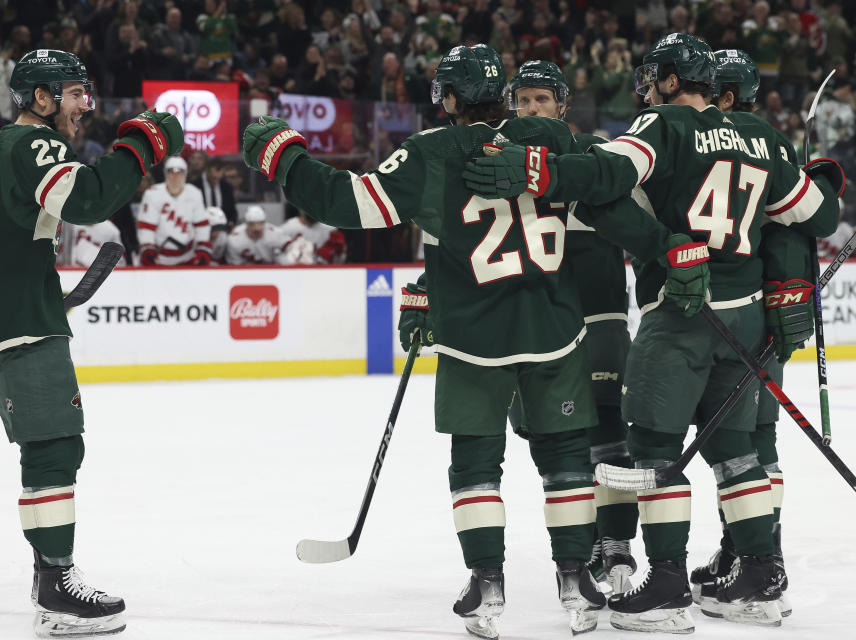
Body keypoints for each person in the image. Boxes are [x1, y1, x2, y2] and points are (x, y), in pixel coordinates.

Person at [463, 33, 842, 632]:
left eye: (651, 78)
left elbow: (608, 174)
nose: (646, 88)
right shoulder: (764, 138)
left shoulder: (662, 126)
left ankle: (666, 587)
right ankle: (762, 578)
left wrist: (542, 169)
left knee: (654, 453)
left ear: (669, 80)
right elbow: (821, 216)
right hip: (744, 319)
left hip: (684, 313)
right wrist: (813, 176)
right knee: (736, 450)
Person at [243, 44, 609, 637]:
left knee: (474, 464)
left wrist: (283, 157)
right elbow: (610, 186)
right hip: (555, 332)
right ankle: (576, 580)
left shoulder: (429, 152)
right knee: (566, 459)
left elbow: (345, 201)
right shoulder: (551, 138)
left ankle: (488, 584)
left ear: (454, 98)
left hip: (473, 340)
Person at [0, 48, 182, 637]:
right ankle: (56, 585)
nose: (85, 106)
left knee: (52, 445)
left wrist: (26, 287)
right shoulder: (33, 144)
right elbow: (90, 200)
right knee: (53, 446)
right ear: (41, 99)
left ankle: (49, 575)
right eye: (74, 93)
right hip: (17, 319)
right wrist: (145, 142)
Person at [503, 59, 639, 594]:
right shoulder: (501, 162)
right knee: (555, 444)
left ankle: (619, 549)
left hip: (600, 317)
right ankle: (582, 552)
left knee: (608, 434)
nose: (532, 110)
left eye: (542, 100)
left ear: (563, 105)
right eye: (523, 100)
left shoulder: (596, 155)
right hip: (536, 327)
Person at [689, 48, 815, 621]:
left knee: (745, 442)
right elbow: (815, 220)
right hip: (758, 310)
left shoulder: (706, 140)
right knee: (747, 440)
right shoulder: (770, 143)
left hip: (733, 313)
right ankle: (747, 550)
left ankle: (762, 559)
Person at [136, 155, 211, 266]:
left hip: (188, 257)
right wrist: (148, 249)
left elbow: (202, 225)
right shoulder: (152, 193)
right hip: (159, 257)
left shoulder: (194, 193)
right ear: (166, 173)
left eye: (179, 172)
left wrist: (203, 249)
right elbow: (146, 226)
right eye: (171, 172)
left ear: (184, 174)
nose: (175, 176)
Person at [280, 209, 347, 264]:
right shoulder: (288, 227)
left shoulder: (330, 229)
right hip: (295, 269)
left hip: (322, 271)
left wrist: (338, 253)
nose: (312, 212)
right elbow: (278, 254)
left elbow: (340, 259)